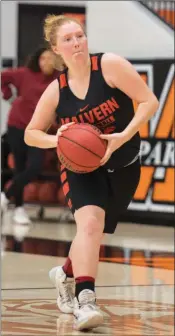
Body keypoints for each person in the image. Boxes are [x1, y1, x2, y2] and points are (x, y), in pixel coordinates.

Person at [24, 15, 159, 331]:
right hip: (81, 169)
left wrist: (123, 135)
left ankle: (64, 273)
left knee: (95, 231)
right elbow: (31, 132)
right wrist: (57, 137)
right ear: (57, 49)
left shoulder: (109, 66)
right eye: (68, 39)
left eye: (80, 36)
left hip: (124, 163)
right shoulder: (57, 90)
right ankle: (86, 301)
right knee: (90, 225)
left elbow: (149, 102)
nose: (77, 43)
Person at [1, 46, 58, 225]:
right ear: (37, 61)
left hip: (38, 130)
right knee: (18, 167)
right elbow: (3, 77)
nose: (47, 62)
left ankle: (4, 198)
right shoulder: (25, 74)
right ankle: (18, 209)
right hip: (17, 125)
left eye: (51, 59)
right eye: (43, 59)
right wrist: (7, 94)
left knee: (34, 166)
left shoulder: (59, 80)